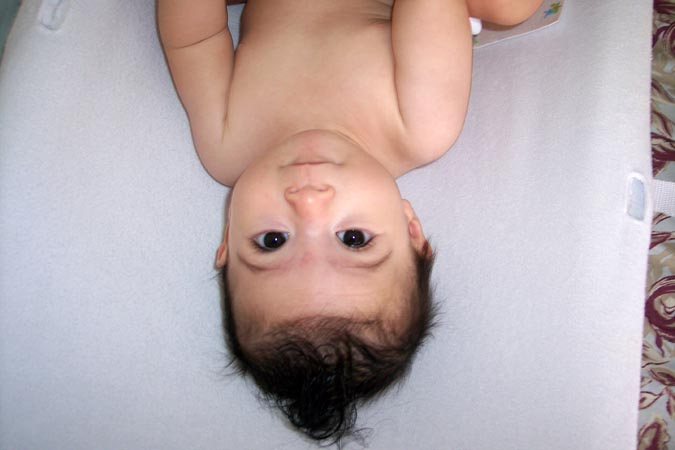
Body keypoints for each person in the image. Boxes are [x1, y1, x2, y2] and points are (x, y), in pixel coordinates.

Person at [158, 0, 542, 444]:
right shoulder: (419, 125)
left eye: (273, 240)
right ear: (410, 228)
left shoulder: (227, 149)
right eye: (353, 238)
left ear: (227, 240)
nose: (308, 201)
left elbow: (195, 40)